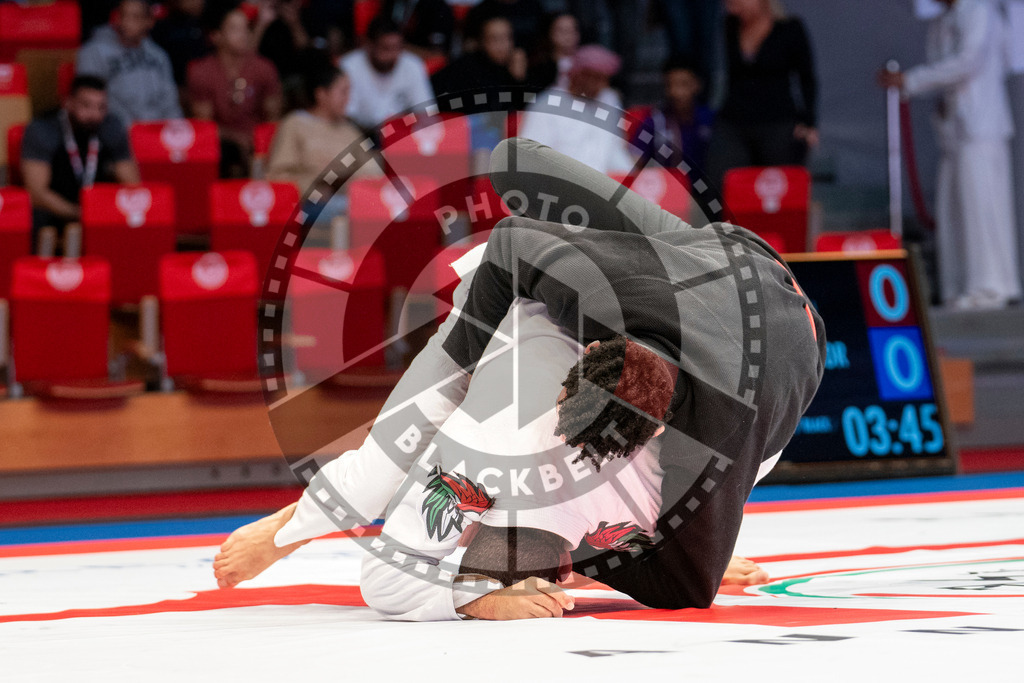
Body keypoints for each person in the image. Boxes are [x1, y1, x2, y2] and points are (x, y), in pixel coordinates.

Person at [215, 137, 820, 616]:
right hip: (727, 266)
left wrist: (631, 549)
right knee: (397, 449)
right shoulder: (581, 316)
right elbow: (510, 244)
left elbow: (688, 584)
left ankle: (310, 522)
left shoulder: (718, 442)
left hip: (777, 338)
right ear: (583, 358)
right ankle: (294, 525)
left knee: (439, 464)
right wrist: (456, 368)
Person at [878, 0, 1021, 310]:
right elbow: (945, 69)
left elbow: (968, 61)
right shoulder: (943, 21)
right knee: (953, 210)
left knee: (981, 208)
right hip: (953, 129)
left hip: (981, 127)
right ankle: (959, 286)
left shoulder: (980, 10)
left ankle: (991, 286)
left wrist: (911, 81)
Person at [706, 0, 817, 190]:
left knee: (781, 187)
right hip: (735, 118)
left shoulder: (790, 28)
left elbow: (807, 78)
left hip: (777, 118)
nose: (732, 9)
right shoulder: (729, 25)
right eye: (729, 5)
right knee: (716, 181)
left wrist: (809, 122)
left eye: (737, 3)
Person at [20, 75, 140, 246]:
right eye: (86, 105)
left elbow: (133, 185)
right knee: (36, 216)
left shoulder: (111, 127)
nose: (94, 114)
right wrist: (80, 213)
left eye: (101, 107)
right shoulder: (43, 130)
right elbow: (37, 194)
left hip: (100, 211)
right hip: (56, 211)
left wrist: (110, 212)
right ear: (68, 103)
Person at [266, 65, 377, 246]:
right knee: (348, 211)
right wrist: (315, 189)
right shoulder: (295, 124)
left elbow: (372, 172)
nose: (348, 99)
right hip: (306, 205)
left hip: (348, 200)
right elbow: (278, 176)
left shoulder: (349, 130)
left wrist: (350, 184)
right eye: (343, 92)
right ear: (322, 94)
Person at [187, 2, 282, 177]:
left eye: (246, 29)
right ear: (216, 36)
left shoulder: (264, 68)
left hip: (258, 146)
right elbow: (205, 127)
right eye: (234, 29)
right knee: (225, 151)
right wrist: (237, 140)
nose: (243, 35)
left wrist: (258, 143)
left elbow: (272, 119)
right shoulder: (201, 72)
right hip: (222, 147)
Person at [519, 45, 632, 173]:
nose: (601, 85)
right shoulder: (546, 105)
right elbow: (530, 158)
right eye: (595, 78)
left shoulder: (609, 98)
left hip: (606, 184)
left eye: (604, 79)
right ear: (578, 75)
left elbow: (616, 150)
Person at [75, 0, 183, 126]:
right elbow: (92, 100)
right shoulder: (93, 52)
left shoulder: (159, 55)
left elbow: (170, 100)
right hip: (115, 130)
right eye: (123, 15)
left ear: (149, 21)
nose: (126, 22)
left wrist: (174, 129)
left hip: (156, 131)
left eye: (135, 17)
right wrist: (131, 127)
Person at [339, 15, 434, 130]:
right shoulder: (348, 66)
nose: (392, 55)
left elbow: (426, 112)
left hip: (403, 135)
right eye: (386, 48)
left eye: (397, 48)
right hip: (361, 135)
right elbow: (345, 117)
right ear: (369, 45)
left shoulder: (413, 65)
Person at [632, 55, 714, 170]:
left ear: (697, 85)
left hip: (706, 186)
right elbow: (633, 162)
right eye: (670, 85)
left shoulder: (710, 120)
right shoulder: (653, 123)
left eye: (684, 84)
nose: (676, 92)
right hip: (666, 186)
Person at [431, 16, 526, 97]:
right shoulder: (465, 68)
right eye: (495, 39)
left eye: (507, 38)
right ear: (481, 42)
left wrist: (519, 80)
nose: (502, 45)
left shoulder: (517, 66)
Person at [151, 0, 210, 88]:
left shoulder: (205, 23)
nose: (200, 2)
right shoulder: (162, 28)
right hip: (170, 86)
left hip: (201, 86)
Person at [526, 12, 581, 93]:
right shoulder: (540, 67)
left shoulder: (587, 66)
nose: (569, 35)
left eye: (573, 30)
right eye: (562, 31)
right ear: (550, 33)